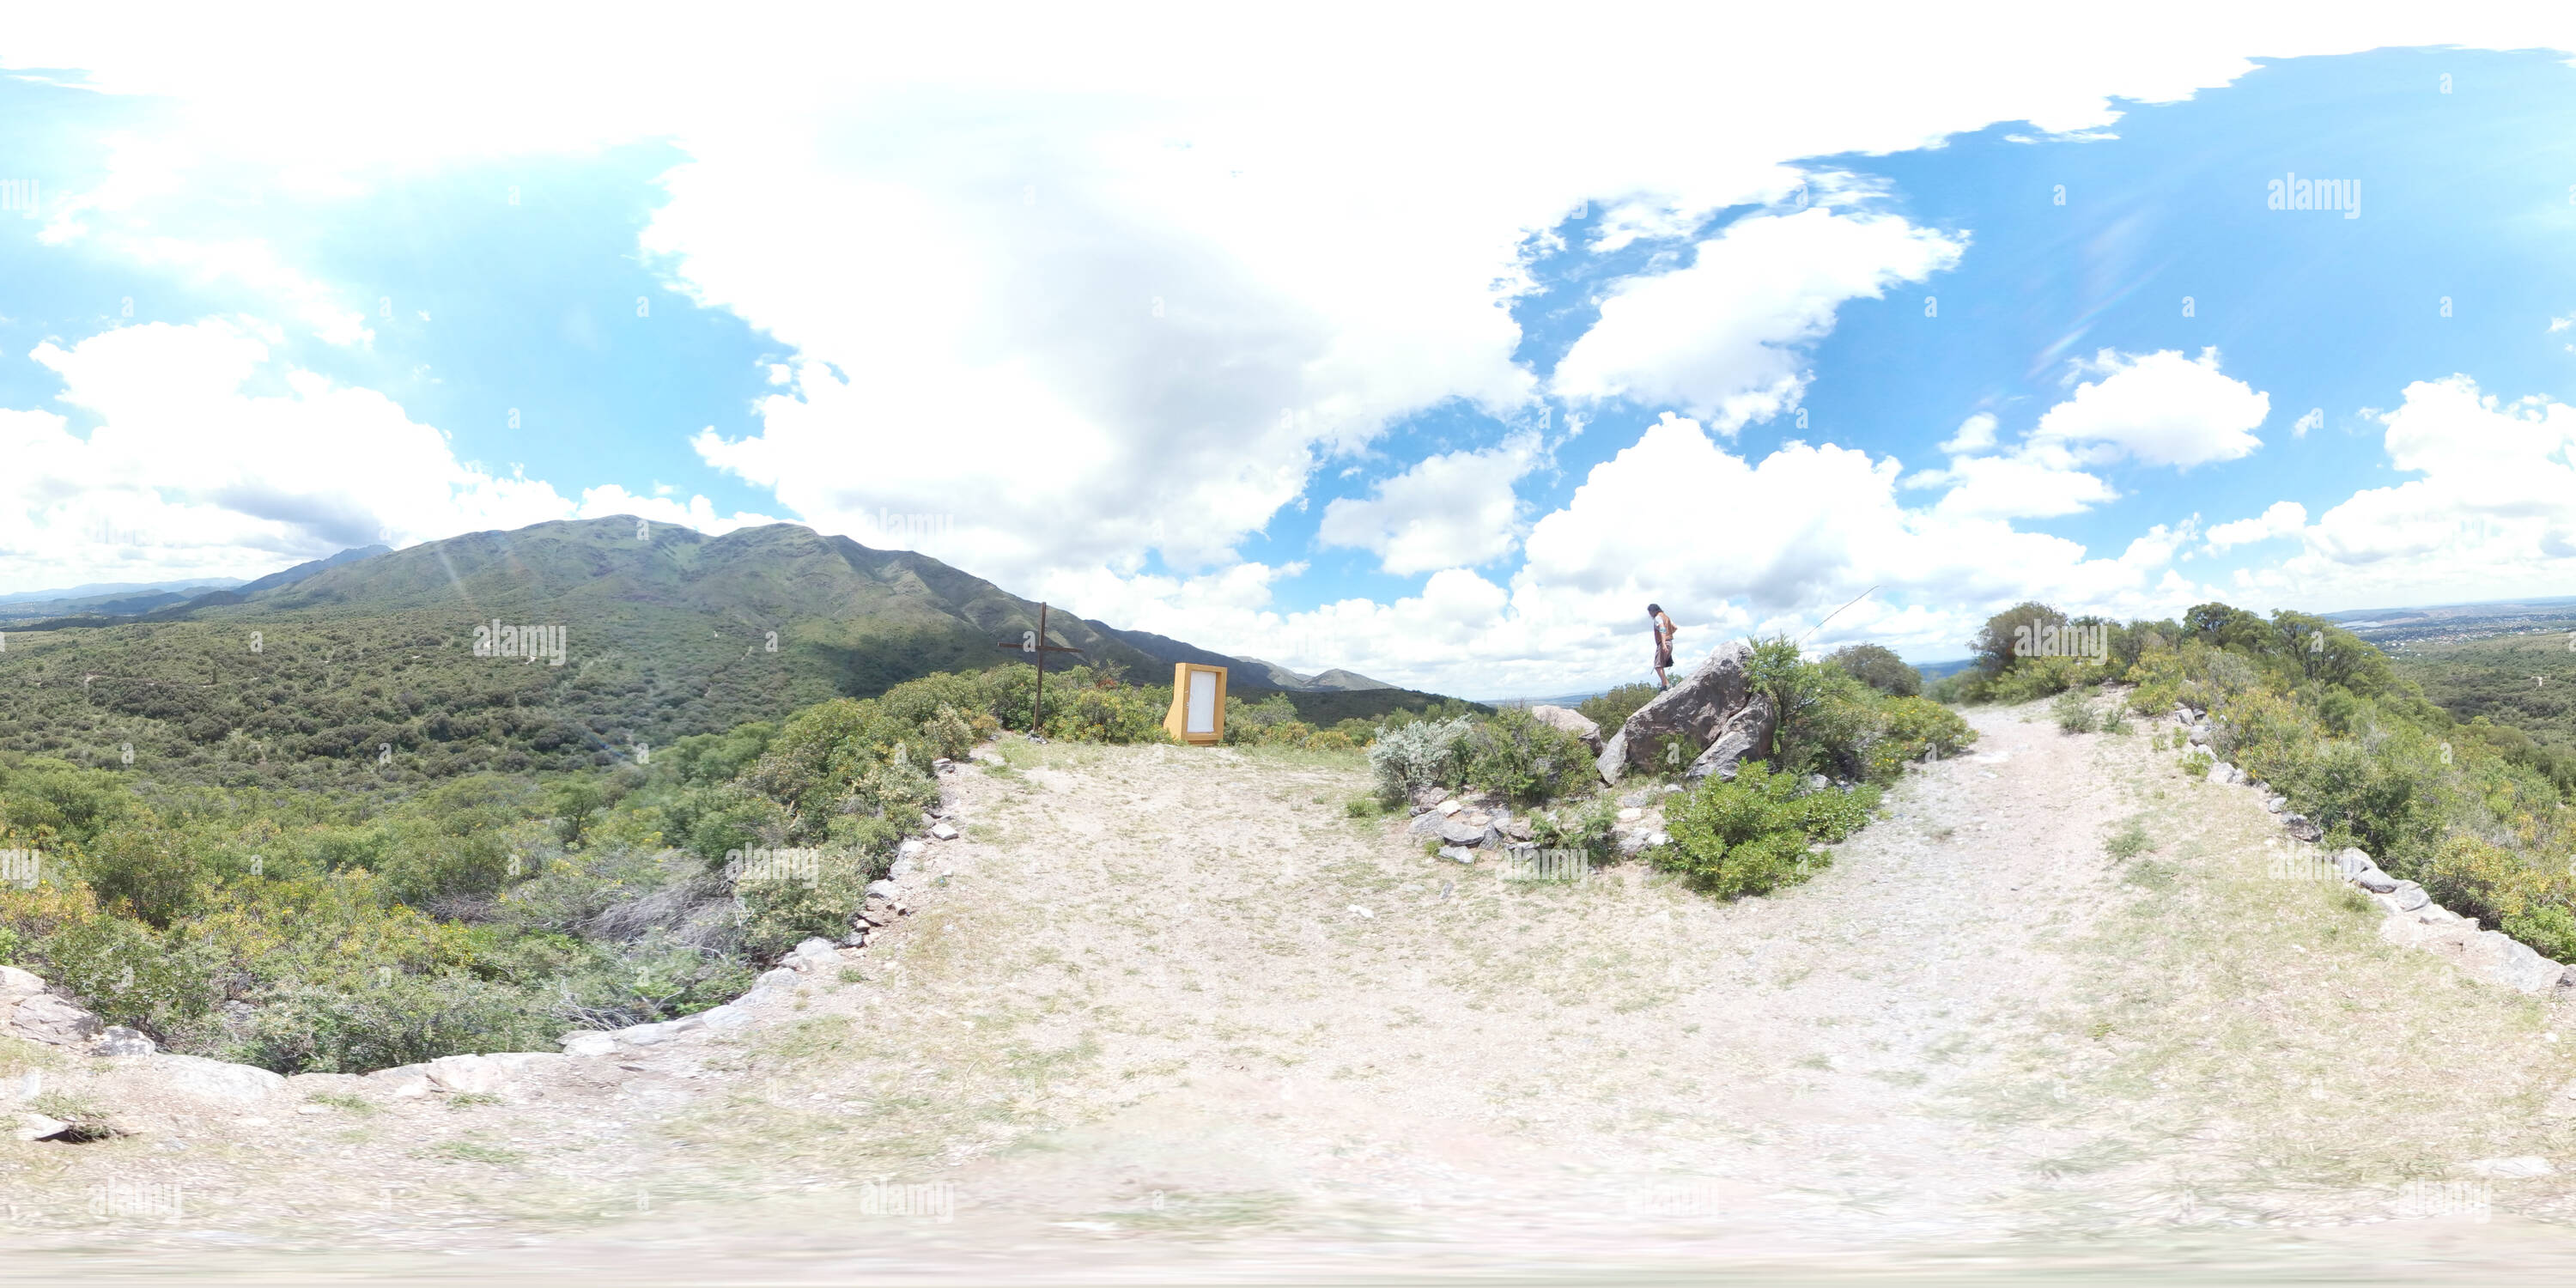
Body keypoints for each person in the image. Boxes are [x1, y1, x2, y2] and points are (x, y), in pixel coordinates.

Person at [1648, 603, 1677, 689]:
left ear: (1653, 611)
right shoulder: (1666, 617)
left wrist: (1663, 642)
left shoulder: (1658, 618)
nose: (1650, 615)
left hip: (1663, 643)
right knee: (1660, 665)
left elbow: (1662, 628)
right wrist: (1668, 635)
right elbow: (1675, 627)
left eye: (1650, 613)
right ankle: (1664, 684)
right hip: (1670, 642)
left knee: (1658, 666)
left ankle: (1667, 685)